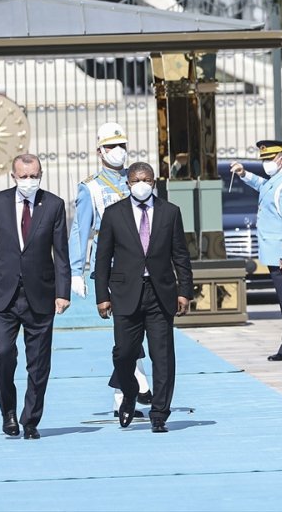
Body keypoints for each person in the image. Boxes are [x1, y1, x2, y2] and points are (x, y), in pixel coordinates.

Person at [0, 154, 70, 439]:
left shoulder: (53, 205)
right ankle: (8, 412)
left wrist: (62, 293)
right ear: (13, 176)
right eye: (24, 176)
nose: (30, 181)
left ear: (41, 174)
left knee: (39, 363)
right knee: (3, 354)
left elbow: (61, 254)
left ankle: (30, 420)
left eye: (34, 175)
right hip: (2, 294)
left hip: (40, 295)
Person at [94, 162, 193, 433]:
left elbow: (181, 256)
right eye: (137, 179)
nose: (142, 184)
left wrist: (184, 291)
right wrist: (102, 295)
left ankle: (159, 413)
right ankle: (128, 392)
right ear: (128, 183)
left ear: (154, 182)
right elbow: (102, 258)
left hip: (160, 293)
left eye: (147, 180)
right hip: (125, 294)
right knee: (124, 353)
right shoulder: (114, 214)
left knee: (162, 356)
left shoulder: (170, 212)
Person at [68, 122, 152, 416]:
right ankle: (138, 383)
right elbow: (81, 230)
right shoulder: (90, 187)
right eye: (111, 147)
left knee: (132, 333)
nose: (118, 152)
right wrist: (76, 271)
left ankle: (123, 398)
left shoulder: (137, 180)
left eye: (122, 146)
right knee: (128, 332)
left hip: (143, 267)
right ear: (99, 151)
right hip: (115, 270)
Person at [231, 140, 282, 361]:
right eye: (263, 159)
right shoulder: (276, 181)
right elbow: (263, 186)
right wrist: (244, 174)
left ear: (281, 159)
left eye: (269, 159)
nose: (265, 163)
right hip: (275, 254)